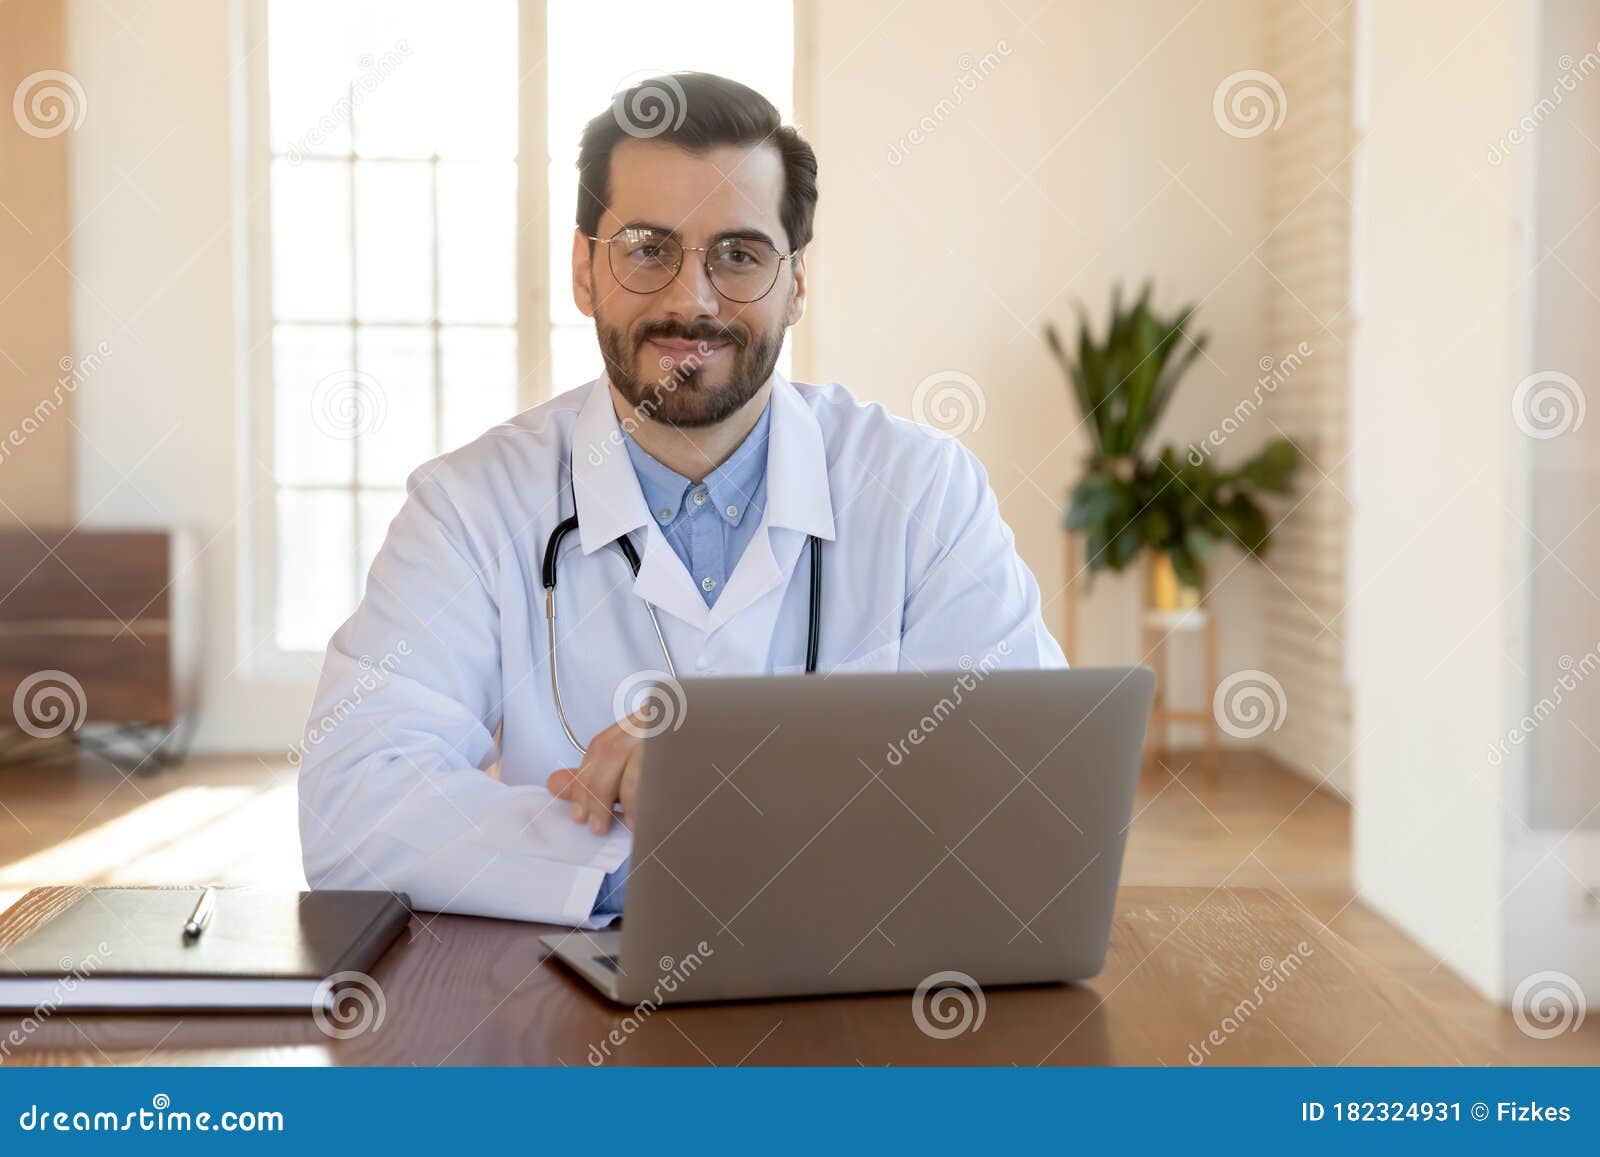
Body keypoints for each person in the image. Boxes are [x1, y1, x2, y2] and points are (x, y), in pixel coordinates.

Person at [297, 72, 1065, 927]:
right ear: (586, 270)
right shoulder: (470, 506)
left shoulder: (922, 490)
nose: (690, 299)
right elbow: (352, 805)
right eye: (647, 247)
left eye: (738, 254)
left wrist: (737, 788)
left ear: (797, 285)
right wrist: (659, 865)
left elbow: (1031, 785)